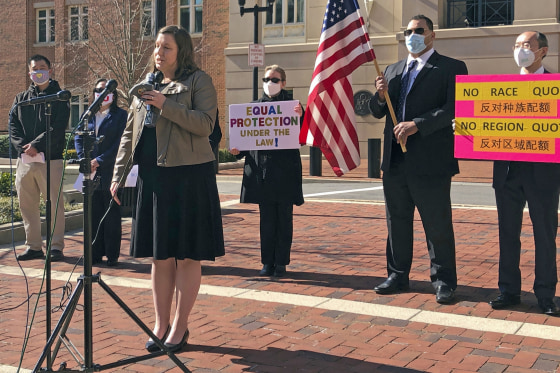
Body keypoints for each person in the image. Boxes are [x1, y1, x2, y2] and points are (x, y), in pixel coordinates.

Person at [110, 25, 224, 353]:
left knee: (187, 255)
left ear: (182, 51)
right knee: (160, 256)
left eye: (167, 47)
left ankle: (180, 326)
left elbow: (205, 125)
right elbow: (130, 134)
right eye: (157, 46)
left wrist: (164, 104)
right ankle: (160, 324)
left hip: (190, 177)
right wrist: (118, 174)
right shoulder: (146, 85)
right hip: (154, 178)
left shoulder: (198, 80)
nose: (159, 52)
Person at [369, 15, 468, 304]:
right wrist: (379, 95)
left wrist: (418, 124)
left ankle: (443, 281)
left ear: (432, 35)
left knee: (437, 224)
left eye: (419, 30)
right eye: (409, 31)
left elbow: (454, 108)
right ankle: (397, 274)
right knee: (396, 222)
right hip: (395, 162)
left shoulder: (451, 67)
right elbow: (379, 111)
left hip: (431, 161)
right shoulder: (393, 69)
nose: (413, 35)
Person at [488, 31, 560, 316]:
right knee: (508, 233)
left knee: (545, 234)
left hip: (543, 174)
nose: (521, 50)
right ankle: (508, 290)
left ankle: (545, 294)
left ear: (542, 51)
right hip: (507, 172)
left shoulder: (556, 86)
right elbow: (486, 124)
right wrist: (467, 128)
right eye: (517, 45)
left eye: (527, 45)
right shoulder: (497, 88)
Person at [230, 65, 304, 278]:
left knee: (284, 220)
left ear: (283, 83)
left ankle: (281, 262)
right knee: (267, 221)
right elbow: (246, 140)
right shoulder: (253, 108)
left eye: (274, 79)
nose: (269, 83)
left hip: (285, 174)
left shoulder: (293, 107)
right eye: (266, 79)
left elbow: (304, 135)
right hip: (262, 175)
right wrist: (236, 150)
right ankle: (267, 262)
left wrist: (302, 116)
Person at [10, 54, 70, 262]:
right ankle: (34, 246)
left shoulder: (60, 97)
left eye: (42, 68)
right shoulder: (21, 99)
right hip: (25, 161)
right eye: (34, 69)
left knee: (54, 204)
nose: (38, 72)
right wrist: (24, 148)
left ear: (50, 70)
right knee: (27, 205)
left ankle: (55, 246)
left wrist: (36, 145)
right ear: (29, 73)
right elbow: (13, 127)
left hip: (50, 160)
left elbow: (58, 127)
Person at [75, 79, 126, 266]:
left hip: (111, 171)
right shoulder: (87, 114)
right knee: (93, 214)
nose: (102, 93)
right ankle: (94, 254)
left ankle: (112, 255)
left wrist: (99, 160)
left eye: (106, 90)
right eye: (98, 90)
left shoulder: (121, 116)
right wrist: (85, 159)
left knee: (111, 215)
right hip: (90, 172)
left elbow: (121, 142)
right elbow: (78, 137)